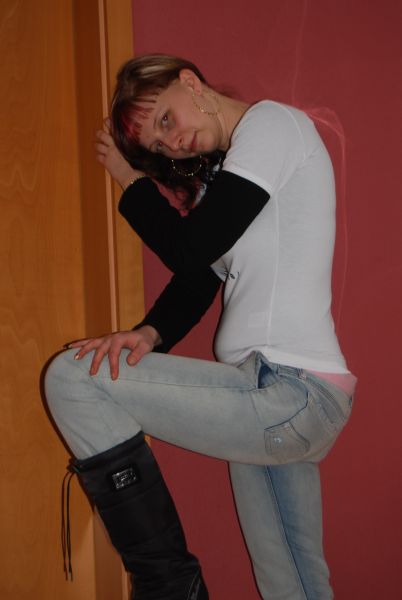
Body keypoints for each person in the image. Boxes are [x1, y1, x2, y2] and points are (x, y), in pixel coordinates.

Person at [45, 54, 356, 600]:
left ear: (190, 83)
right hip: (282, 397)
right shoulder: (234, 181)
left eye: (166, 119)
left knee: (73, 378)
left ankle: (169, 586)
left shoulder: (272, 124)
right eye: (159, 146)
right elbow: (197, 280)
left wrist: (129, 179)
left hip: (286, 390)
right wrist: (147, 334)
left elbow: (190, 251)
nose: (173, 143)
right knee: (293, 587)